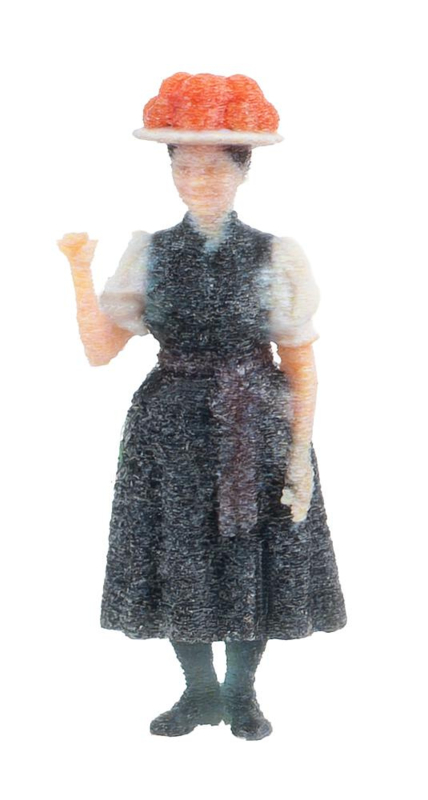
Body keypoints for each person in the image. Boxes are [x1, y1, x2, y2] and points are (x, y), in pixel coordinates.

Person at [58, 72, 347, 741]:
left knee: (248, 558)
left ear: (243, 172)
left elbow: (301, 363)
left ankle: (242, 694)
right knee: (179, 555)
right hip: (169, 428)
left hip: (255, 423)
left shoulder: (276, 255)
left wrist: (298, 455)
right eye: (183, 168)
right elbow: (100, 350)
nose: (196, 181)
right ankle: (198, 692)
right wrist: (78, 269)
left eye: (213, 169)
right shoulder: (150, 253)